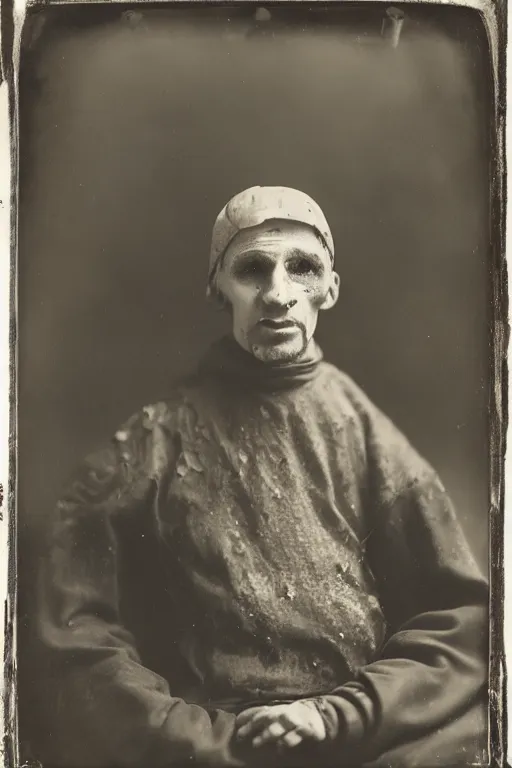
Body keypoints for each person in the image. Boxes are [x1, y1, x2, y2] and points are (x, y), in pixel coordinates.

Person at [33, 186, 488, 768]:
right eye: (253, 269)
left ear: (331, 288)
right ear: (216, 289)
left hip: (364, 739)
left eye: (302, 269)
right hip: (221, 738)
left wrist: (336, 715)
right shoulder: (152, 442)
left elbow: (462, 619)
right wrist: (202, 738)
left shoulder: (365, 432)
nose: (278, 296)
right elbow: (73, 636)